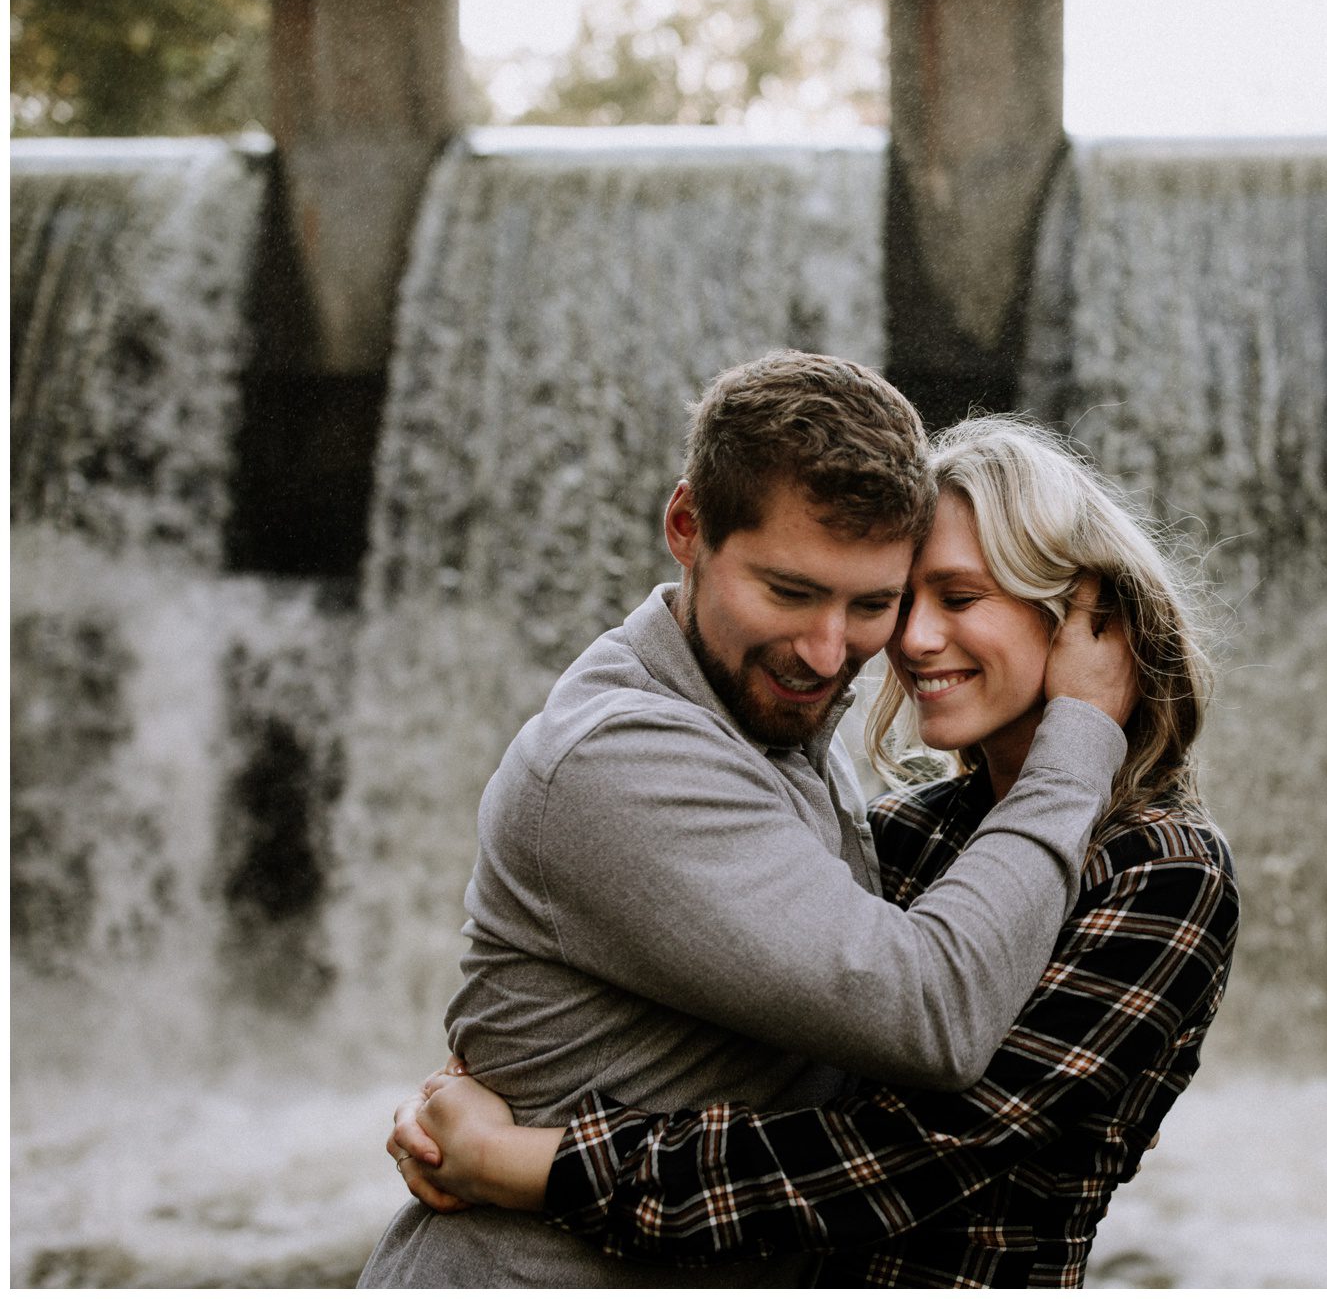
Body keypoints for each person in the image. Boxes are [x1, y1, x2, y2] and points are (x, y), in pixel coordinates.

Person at [388, 415, 1240, 1287]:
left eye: (960, 597)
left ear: (1086, 622)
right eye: (903, 601)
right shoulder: (908, 829)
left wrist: (532, 1161)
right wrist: (526, 1072)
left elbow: (908, 1160)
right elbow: (743, 1061)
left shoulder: (1163, 872)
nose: (909, 641)